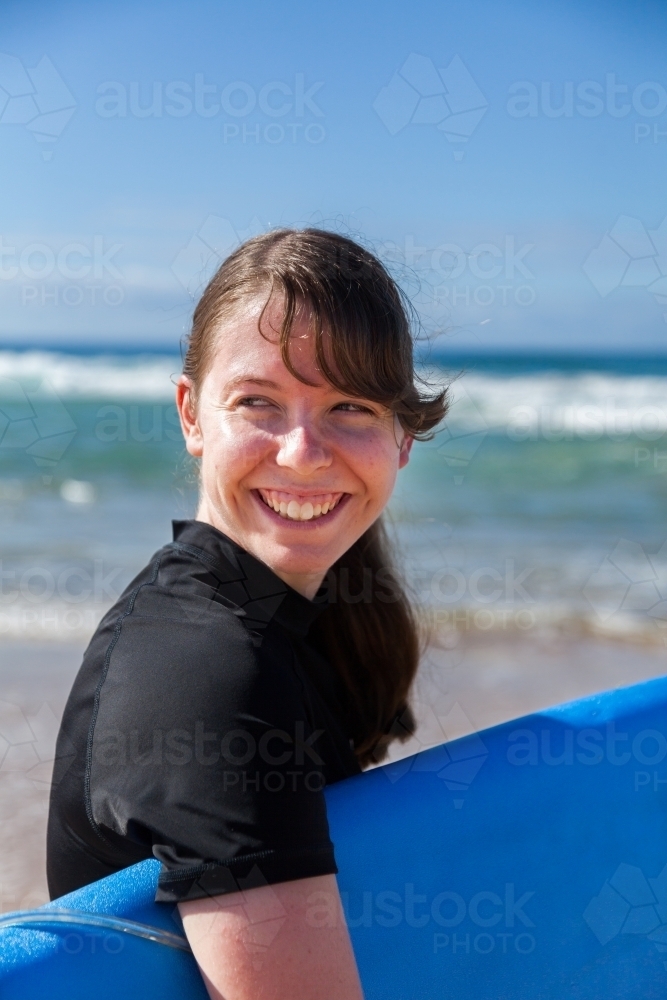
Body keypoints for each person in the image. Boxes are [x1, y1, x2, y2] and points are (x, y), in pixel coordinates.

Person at [46, 229, 448, 999]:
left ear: (401, 439)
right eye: (258, 401)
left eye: (349, 406)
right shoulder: (208, 674)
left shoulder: (309, 618)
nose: (302, 452)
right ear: (192, 415)